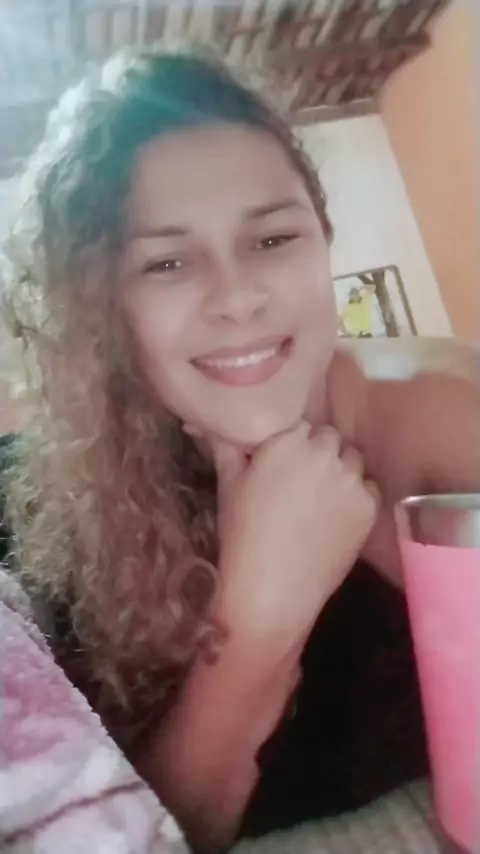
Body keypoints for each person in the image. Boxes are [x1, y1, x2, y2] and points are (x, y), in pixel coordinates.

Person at [1, 44, 478, 854]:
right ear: (102, 307)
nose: (238, 296)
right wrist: (258, 623)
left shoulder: (437, 423)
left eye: (272, 239)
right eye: (167, 261)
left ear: (323, 242)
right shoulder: (31, 510)